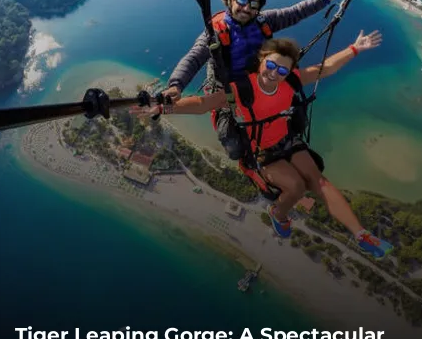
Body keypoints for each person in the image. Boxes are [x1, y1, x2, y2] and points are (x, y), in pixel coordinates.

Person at [150, 32, 393, 259]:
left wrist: (355, 48)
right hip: (261, 152)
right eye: (271, 65)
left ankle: (361, 235)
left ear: (289, 73)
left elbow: (326, 68)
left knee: (317, 180)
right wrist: (163, 108)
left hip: (286, 139)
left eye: (282, 70)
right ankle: (278, 214)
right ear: (261, 60)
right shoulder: (242, 88)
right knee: (296, 187)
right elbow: (202, 103)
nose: (275, 73)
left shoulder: (290, 82)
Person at [163, 0, 348, 159]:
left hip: (260, 84)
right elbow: (194, 58)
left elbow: (296, 12)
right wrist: (176, 85)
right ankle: (253, 157)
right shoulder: (215, 32)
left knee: (297, 121)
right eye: (242, 0)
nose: (246, 7)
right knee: (235, 149)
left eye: (254, 4)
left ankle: (280, 143)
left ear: (259, 8)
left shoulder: (264, 21)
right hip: (229, 93)